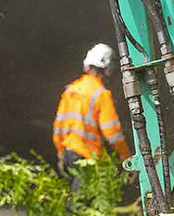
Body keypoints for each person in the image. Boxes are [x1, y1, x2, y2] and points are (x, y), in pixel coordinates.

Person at [52, 43, 128, 185]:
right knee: (81, 201)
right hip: (87, 155)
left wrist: (61, 152)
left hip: (69, 152)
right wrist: (126, 157)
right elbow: (112, 132)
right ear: (108, 69)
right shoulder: (101, 94)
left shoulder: (72, 89)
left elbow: (59, 126)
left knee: (81, 196)